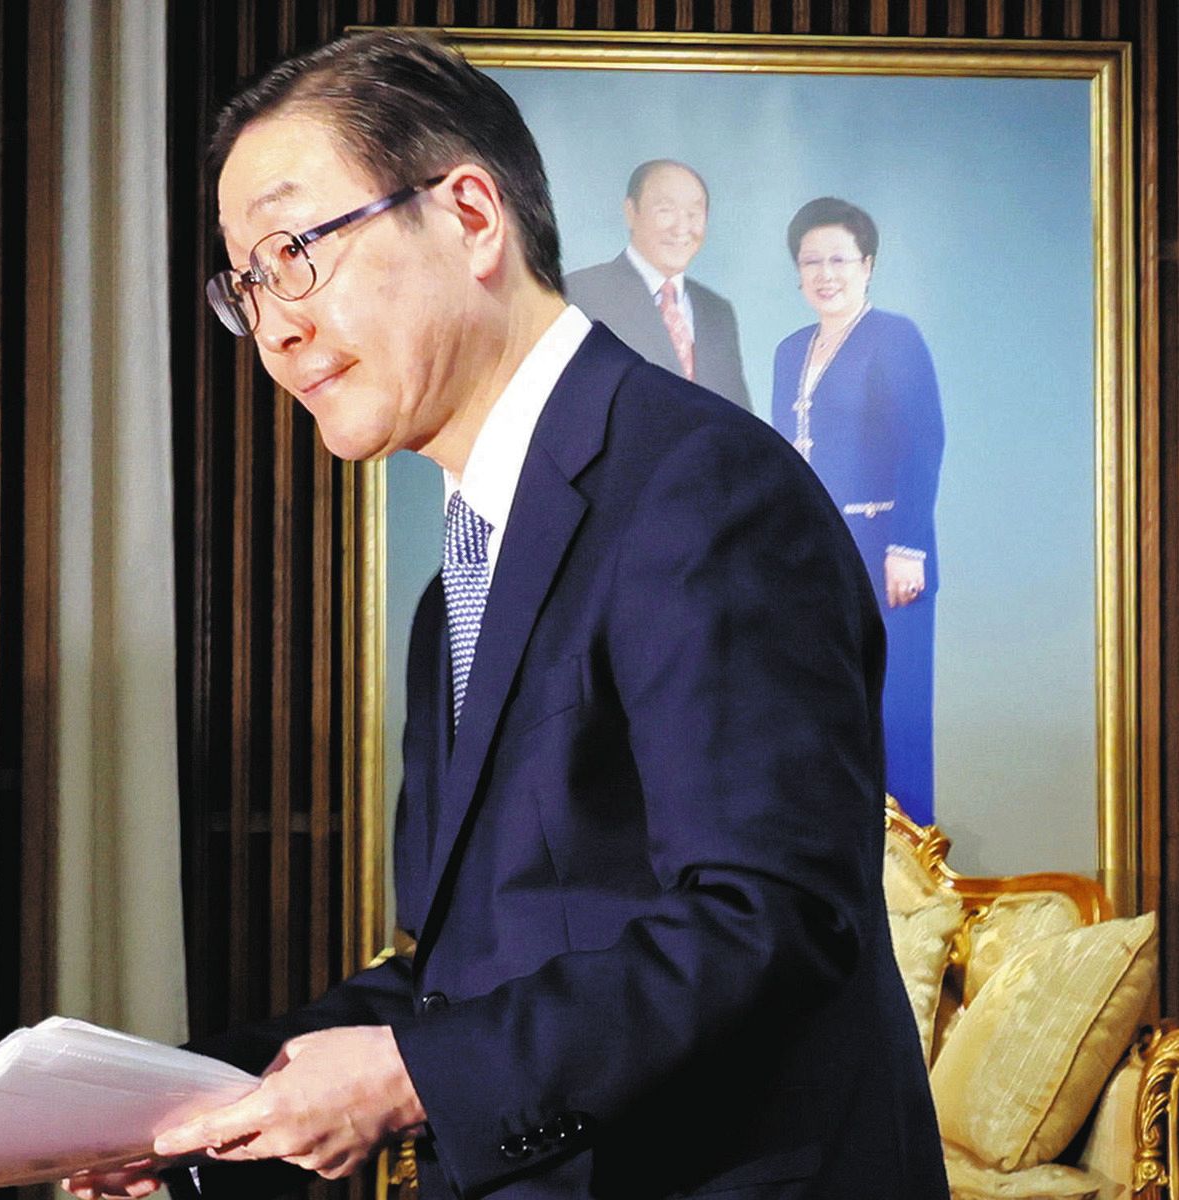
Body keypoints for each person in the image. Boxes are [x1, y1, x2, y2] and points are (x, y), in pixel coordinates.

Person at [65, 32, 948, 1200]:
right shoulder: (460, 587)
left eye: (293, 252)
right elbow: (469, 977)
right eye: (246, 283)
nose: (272, 327)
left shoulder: (700, 486)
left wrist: (411, 1079)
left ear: (471, 214)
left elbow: (769, 918)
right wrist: (177, 1124)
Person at [771, 197, 945, 826]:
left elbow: (923, 443)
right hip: (815, 556)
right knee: (825, 708)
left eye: (839, 259)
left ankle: (910, 884)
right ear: (797, 271)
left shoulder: (894, 337)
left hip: (884, 554)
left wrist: (908, 548)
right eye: (811, 260)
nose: (826, 273)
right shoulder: (791, 349)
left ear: (867, 264)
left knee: (891, 712)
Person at [564, 160, 752, 408]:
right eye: (665, 210)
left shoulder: (718, 311)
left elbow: (740, 416)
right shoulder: (579, 293)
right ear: (631, 212)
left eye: (694, 213)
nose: (682, 227)